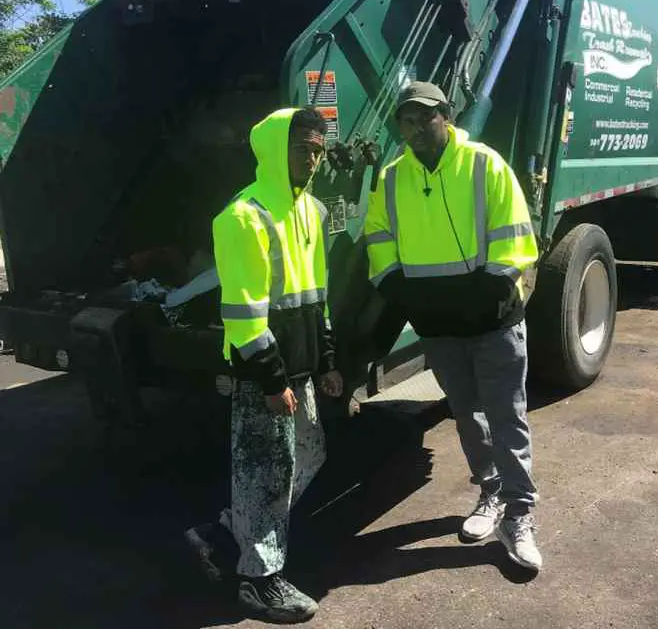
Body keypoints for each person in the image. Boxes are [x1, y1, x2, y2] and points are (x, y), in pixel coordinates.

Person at [364, 81, 542, 571]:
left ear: (446, 115)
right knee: (467, 414)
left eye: (425, 117)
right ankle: (490, 493)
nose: (416, 128)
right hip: (439, 328)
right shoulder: (392, 177)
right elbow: (378, 236)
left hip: (492, 321)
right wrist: (399, 291)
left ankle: (520, 514)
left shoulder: (484, 164)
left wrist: (483, 296)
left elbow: (515, 236)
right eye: (406, 120)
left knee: (507, 416)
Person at [185, 106, 343, 623]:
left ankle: (231, 530)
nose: (313, 159)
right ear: (276, 149)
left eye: (319, 149)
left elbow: (318, 296)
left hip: (300, 367)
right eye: (303, 148)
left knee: (308, 456)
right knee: (269, 474)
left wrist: (327, 361)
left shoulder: (313, 212)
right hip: (264, 374)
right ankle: (259, 581)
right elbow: (245, 315)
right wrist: (271, 379)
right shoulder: (243, 216)